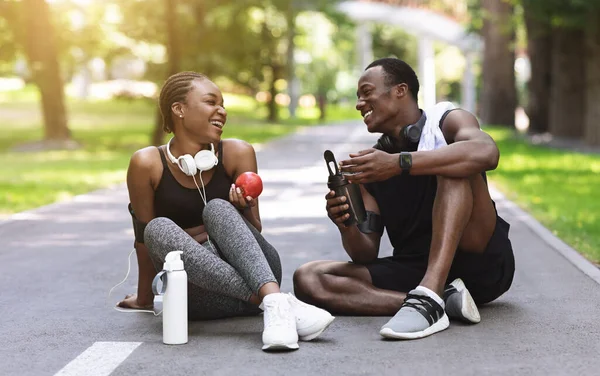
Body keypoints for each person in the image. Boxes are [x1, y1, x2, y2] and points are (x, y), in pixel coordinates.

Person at [293, 58, 515, 340]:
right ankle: (437, 303)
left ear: (400, 90)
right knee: (309, 278)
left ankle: (430, 295)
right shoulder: (372, 165)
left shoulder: (447, 120)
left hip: (480, 262)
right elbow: (365, 254)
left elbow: (486, 153)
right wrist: (345, 224)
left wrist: (400, 163)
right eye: (358, 97)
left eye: (367, 92)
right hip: (415, 270)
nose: (360, 103)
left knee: (453, 162)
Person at [118, 71, 334, 351]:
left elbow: (254, 231)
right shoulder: (147, 163)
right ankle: (277, 303)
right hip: (198, 293)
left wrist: (243, 209)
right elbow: (144, 242)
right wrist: (144, 298)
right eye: (211, 102)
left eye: (223, 104)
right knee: (156, 229)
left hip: (258, 274)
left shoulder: (238, 153)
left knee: (218, 208)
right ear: (179, 109)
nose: (222, 111)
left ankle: (271, 298)